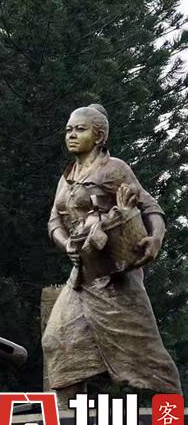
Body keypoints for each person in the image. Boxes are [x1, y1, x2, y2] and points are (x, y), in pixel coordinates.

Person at [43, 104, 181, 403]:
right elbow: (54, 221)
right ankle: (68, 421)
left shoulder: (114, 168)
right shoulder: (66, 178)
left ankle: (171, 423)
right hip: (81, 278)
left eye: (80, 129)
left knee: (146, 356)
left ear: (99, 135)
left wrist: (156, 238)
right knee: (58, 341)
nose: (71, 135)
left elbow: (149, 206)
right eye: (68, 130)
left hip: (115, 278)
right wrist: (67, 244)